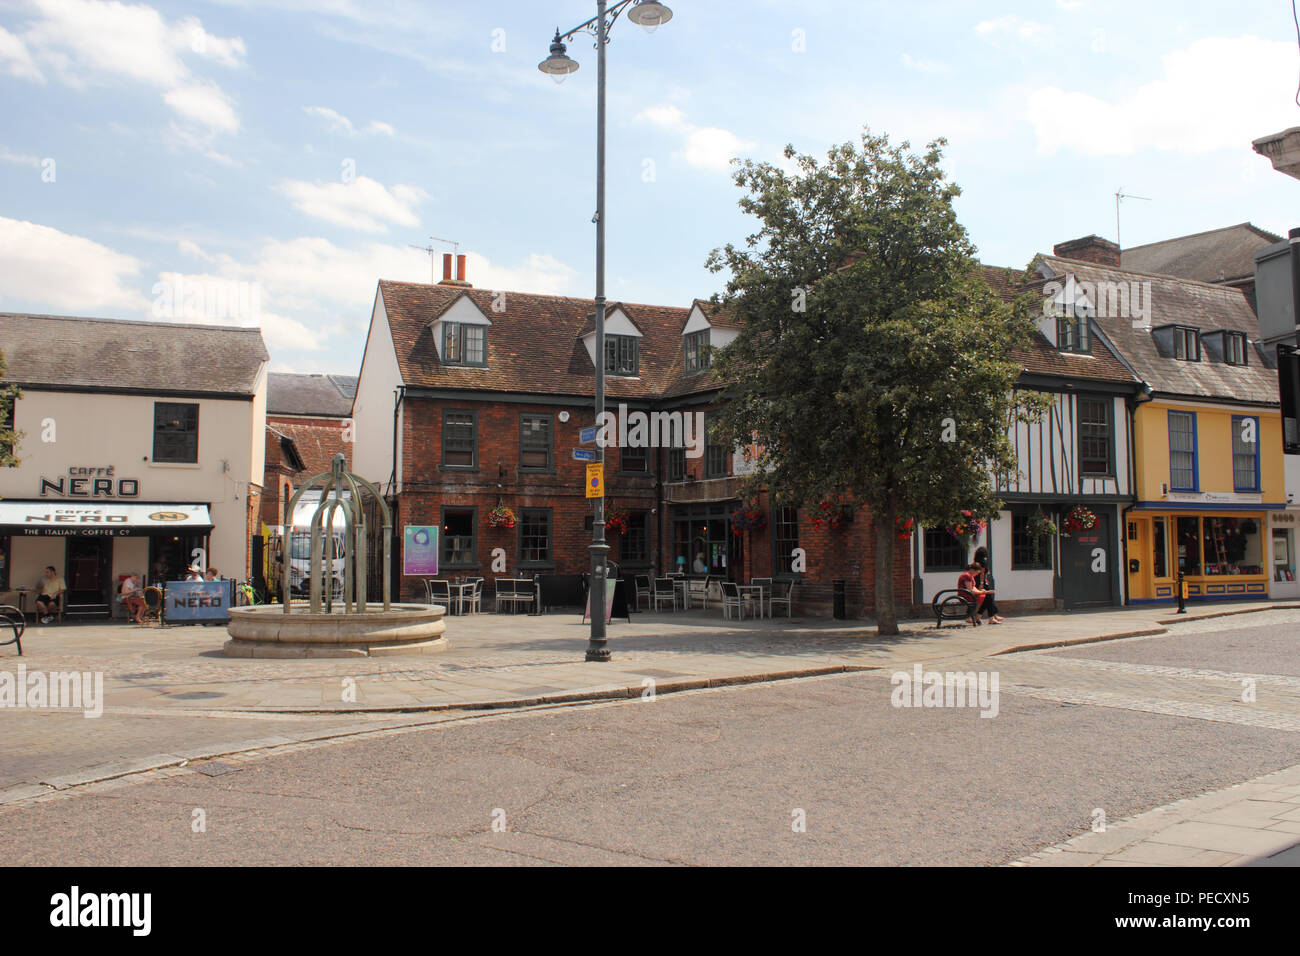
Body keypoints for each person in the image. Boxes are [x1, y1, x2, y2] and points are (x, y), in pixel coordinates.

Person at [973, 546, 1004, 624]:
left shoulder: (976, 561)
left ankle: (980, 616)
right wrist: (982, 584)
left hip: (977, 582)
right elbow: (982, 573)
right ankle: (991, 618)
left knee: (987, 600)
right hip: (982, 583)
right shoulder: (983, 561)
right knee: (989, 598)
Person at [956, 562, 987, 627]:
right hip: (965, 596)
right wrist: (981, 592)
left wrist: (980, 591)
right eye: (977, 573)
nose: (976, 574)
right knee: (984, 598)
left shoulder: (970, 576)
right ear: (972, 570)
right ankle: (973, 616)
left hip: (968, 595)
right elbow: (970, 590)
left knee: (985, 597)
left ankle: (973, 616)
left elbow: (973, 587)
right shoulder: (967, 576)